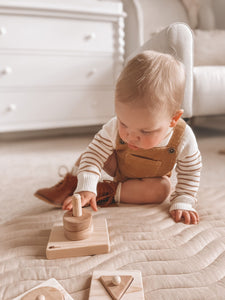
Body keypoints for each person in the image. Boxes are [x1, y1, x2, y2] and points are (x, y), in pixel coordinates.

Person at [35, 50, 202, 225]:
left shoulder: (183, 137)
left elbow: (191, 171)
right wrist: (86, 185)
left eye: (145, 131)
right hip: (117, 164)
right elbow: (94, 156)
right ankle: (76, 184)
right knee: (92, 154)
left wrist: (184, 199)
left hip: (148, 179)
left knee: (162, 189)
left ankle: (103, 191)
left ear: (173, 119)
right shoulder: (114, 127)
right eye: (124, 123)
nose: (130, 136)